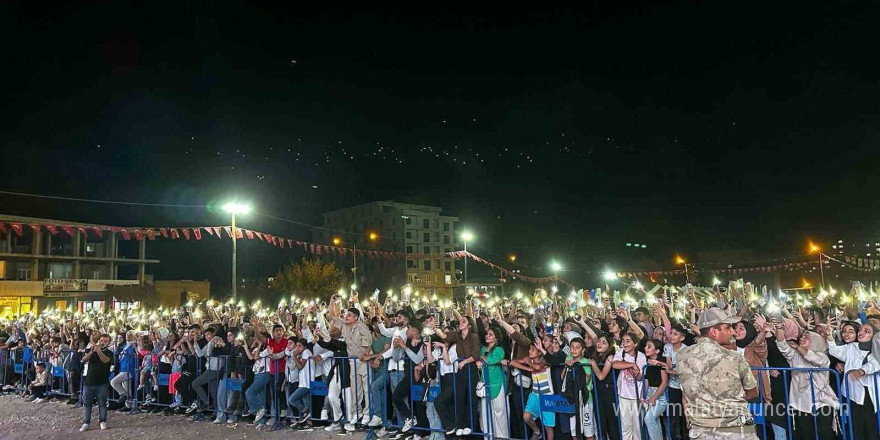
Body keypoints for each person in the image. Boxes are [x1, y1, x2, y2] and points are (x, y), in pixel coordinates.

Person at [676, 307, 759, 439]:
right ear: (714, 332)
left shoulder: (681, 356)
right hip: (735, 431)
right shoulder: (733, 358)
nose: (733, 332)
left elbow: (686, 392)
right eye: (727, 328)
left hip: (701, 431)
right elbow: (753, 392)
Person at [612, 333, 646, 440]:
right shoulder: (620, 352)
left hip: (636, 395)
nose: (624, 343)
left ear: (635, 344)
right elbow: (615, 364)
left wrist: (633, 369)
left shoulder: (641, 356)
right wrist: (632, 365)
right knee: (625, 426)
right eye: (623, 340)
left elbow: (640, 377)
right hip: (623, 394)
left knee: (637, 427)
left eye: (628, 341)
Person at [80, 333, 113, 432]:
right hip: (89, 381)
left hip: (102, 382)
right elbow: (83, 360)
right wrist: (91, 352)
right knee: (87, 403)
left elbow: (105, 360)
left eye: (105, 341)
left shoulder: (109, 352)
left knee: (102, 403)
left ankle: (102, 421)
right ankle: (86, 422)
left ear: (108, 343)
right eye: (102, 340)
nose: (103, 343)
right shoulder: (91, 349)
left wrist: (98, 352)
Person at [642, 339, 668, 440]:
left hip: (661, 395)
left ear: (657, 350)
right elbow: (646, 381)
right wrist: (643, 395)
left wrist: (653, 397)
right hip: (650, 393)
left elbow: (664, 382)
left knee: (649, 418)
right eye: (646, 346)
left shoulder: (662, 362)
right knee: (654, 420)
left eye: (649, 346)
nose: (645, 348)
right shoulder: (647, 363)